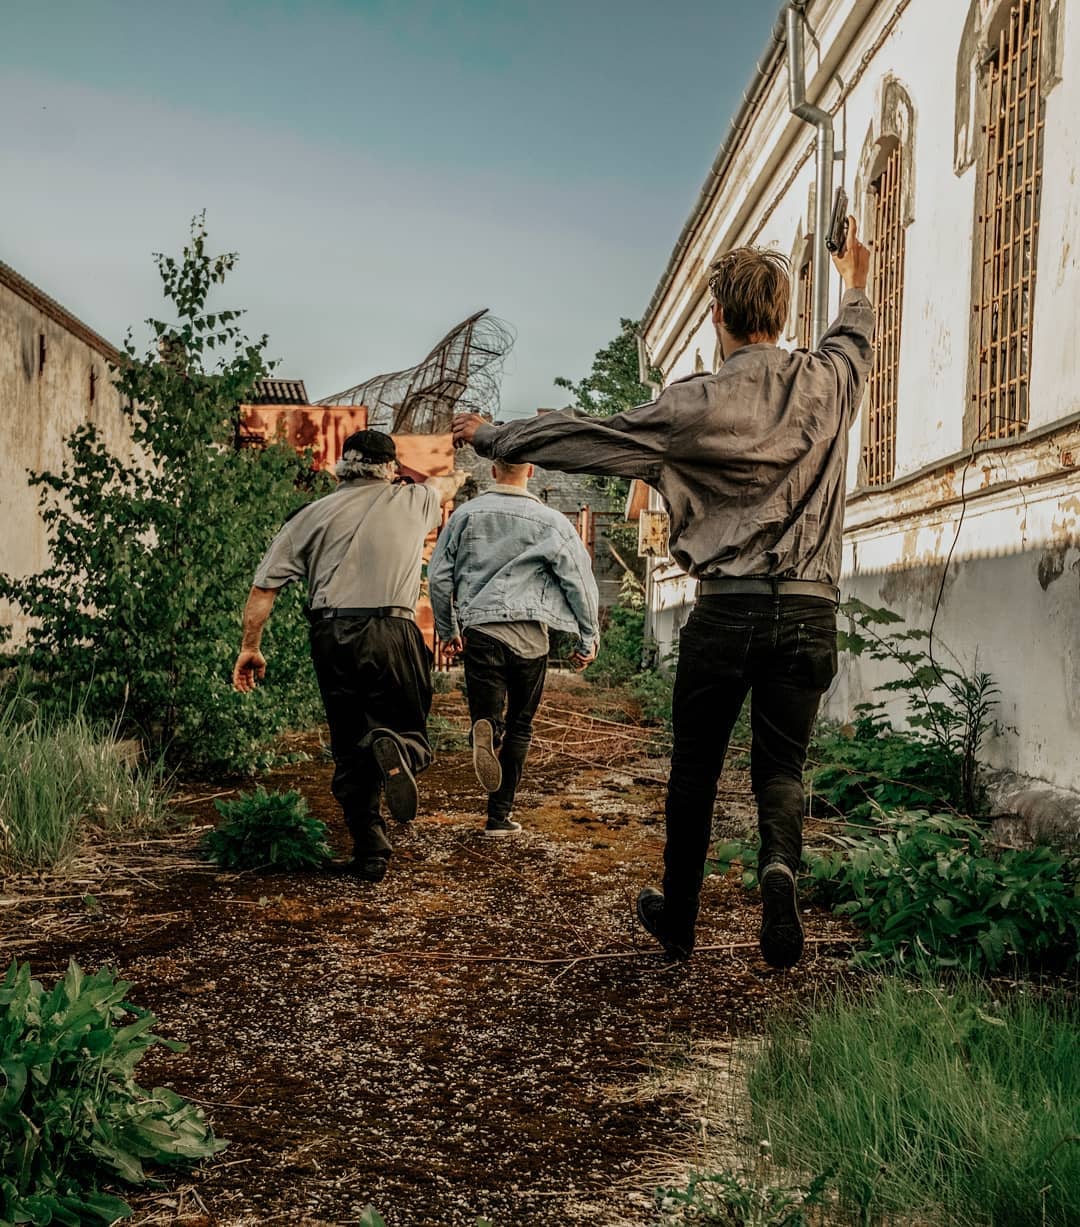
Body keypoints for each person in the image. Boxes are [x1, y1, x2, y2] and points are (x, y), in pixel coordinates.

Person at [453, 221, 873, 966]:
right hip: (811, 609)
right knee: (781, 767)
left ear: (718, 319)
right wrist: (855, 274)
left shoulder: (690, 405)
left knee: (696, 768)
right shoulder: (829, 382)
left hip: (727, 610)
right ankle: (778, 866)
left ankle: (680, 918)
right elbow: (855, 332)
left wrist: (494, 438)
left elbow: (584, 435)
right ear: (781, 313)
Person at [232, 429, 465, 882]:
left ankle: (370, 850)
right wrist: (409, 473)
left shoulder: (308, 516)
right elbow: (447, 482)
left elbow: (264, 589)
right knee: (409, 725)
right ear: (389, 468)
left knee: (349, 741)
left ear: (342, 467)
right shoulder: (416, 500)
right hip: (394, 628)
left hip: (333, 633)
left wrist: (250, 648)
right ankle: (405, 753)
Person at [427, 459, 599, 834]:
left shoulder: (464, 516)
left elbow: (439, 576)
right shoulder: (552, 522)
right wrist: (588, 636)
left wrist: (447, 627)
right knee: (522, 727)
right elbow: (579, 582)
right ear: (531, 472)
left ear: (493, 471)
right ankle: (498, 817)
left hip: (482, 631)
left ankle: (485, 726)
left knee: (490, 716)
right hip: (531, 639)